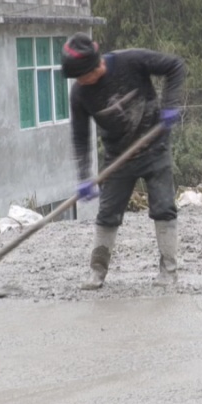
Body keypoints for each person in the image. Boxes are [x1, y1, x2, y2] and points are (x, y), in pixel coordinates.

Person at [60, 32, 186, 289]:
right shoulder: (80, 95)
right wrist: (84, 176)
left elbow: (175, 66)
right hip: (118, 157)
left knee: (163, 207)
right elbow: (81, 137)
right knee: (107, 214)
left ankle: (169, 271)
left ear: (97, 66)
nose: (81, 82)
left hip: (154, 146)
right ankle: (97, 273)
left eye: (83, 76)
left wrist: (170, 104)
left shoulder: (131, 61)